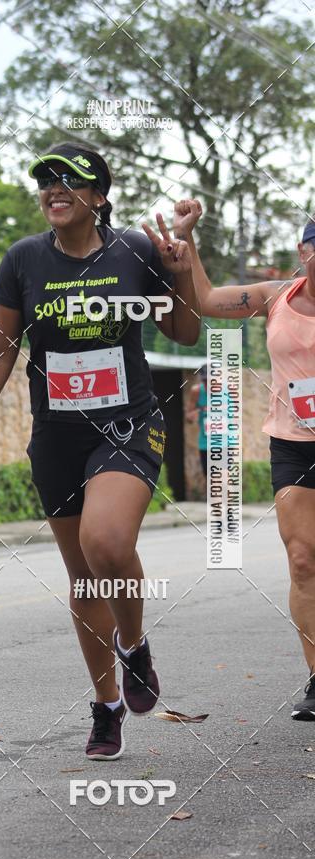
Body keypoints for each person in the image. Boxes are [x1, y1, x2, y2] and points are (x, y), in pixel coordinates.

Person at [0, 143, 200, 759]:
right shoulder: (24, 259)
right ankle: (106, 704)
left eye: (70, 180)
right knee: (84, 579)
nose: (54, 188)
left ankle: (135, 646)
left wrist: (185, 266)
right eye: (46, 180)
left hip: (129, 424)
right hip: (57, 435)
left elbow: (186, 330)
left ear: (99, 196)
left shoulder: (137, 251)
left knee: (106, 541)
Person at [174, 198, 315, 720]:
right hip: (295, 444)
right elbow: (207, 299)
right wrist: (189, 240)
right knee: (303, 560)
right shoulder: (277, 297)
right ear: (304, 251)